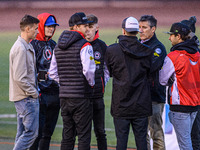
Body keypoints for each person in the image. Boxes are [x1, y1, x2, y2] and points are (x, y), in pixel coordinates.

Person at [49, 12, 96, 150]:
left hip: (64, 96)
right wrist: (91, 85)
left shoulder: (57, 46)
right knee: (83, 135)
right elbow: (89, 70)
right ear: (75, 27)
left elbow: (52, 72)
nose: (87, 28)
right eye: (84, 25)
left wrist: (64, 83)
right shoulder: (85, 45)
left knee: (67, 134)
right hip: (81, 96)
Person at [105, 16, 153, 150]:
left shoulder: (112, 50)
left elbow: (110, 71)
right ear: (137, 31)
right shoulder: (147, 51)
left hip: (120, 103)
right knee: (142, 141)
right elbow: (150, 73)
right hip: (141, 103)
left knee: (121, 141)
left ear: (123, 30)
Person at [159, 22, 200, 150]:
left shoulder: (173, 56)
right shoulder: (197, 54)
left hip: (180, 106)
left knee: (185, 143)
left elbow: (162, 80)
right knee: (190, 139)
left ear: (179, 36)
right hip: (195, 105)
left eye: (171, 35)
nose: (169, 38)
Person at [29, 13, 60, 150]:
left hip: (55, 93)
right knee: (37, 133)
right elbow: (29, 71)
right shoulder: (33, 44)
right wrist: (45, 76)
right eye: (48, 26)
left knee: (48, 133)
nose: (51, 29)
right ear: (41, 26)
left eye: (53, 26)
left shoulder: (54, 44)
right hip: (40, 94)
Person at [9, 14, 40, 150]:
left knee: (22, 133)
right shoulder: (21, 48)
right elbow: (20, 77)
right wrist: (34, 93)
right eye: (35, 29)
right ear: (27, 29)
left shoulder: (25, 45)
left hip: (23, 97)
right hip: (26, 98)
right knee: (31, 134)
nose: (37, 31)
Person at [139, 15, 167, 150]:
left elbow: (150, 67)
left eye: (144, 27)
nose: (141, 30)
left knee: (155, 132)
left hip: (154, 96)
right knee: (141, 133)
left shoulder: (158, 48)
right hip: (139, 96)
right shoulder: (139, 44)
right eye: (139, 27)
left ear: (153, 29)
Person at [85, 14, 109, 150]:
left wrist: (102, 83)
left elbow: (107, 70)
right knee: (84, 132)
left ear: (96, 28)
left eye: (90, 27)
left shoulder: (102, 46)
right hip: (83, 98)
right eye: (86, 27)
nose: (87, 30)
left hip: (98, 97)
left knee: (100, 132)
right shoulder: (80, 45)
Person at [180, 16, 200, 150]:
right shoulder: (195, 47)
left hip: (191, 99)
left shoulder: (188, 52)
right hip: (194, 98)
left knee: (193, 134)